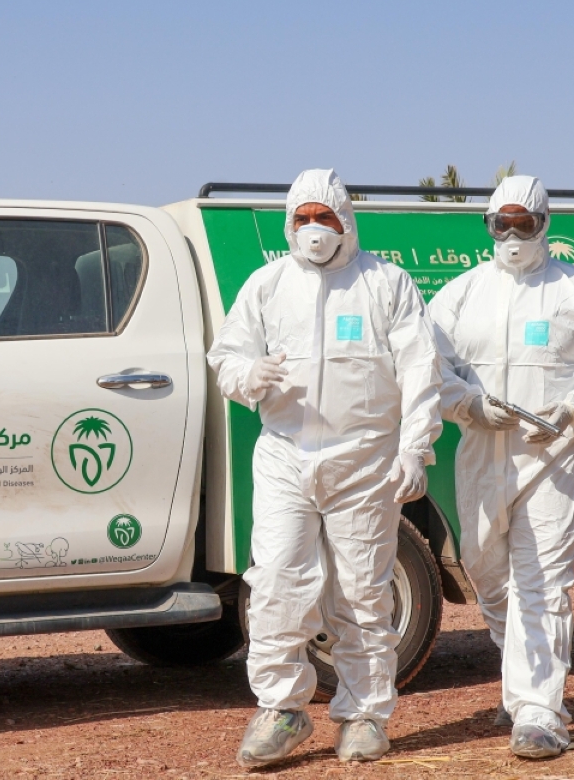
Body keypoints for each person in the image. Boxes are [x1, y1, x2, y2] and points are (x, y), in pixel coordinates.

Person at [207, 169, 442, 767]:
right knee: (276, 582)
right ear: (289, 224)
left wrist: (414, 447)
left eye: (325, 216)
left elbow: (421, 369)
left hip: (364, 459)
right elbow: (226, 355)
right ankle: (281, 709)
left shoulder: (385, 283)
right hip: (285, 455)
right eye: (303, 218)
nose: (314, 228)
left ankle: (364, 715)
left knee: (362, 591)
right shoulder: (267, 285)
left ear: (346, 221)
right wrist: (248, 374)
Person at [428, 175, 574, 758]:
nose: (514, 234)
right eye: (504, 223)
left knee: (541, 579)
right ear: (489, 226)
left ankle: (540, 710)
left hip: (558, 455)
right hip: (483, 452)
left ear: (545, 223)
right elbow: (430, 366)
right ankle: (520, 675)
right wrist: (468, 404)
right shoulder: (461, 295)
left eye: (526, 222)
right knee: (484, 568)